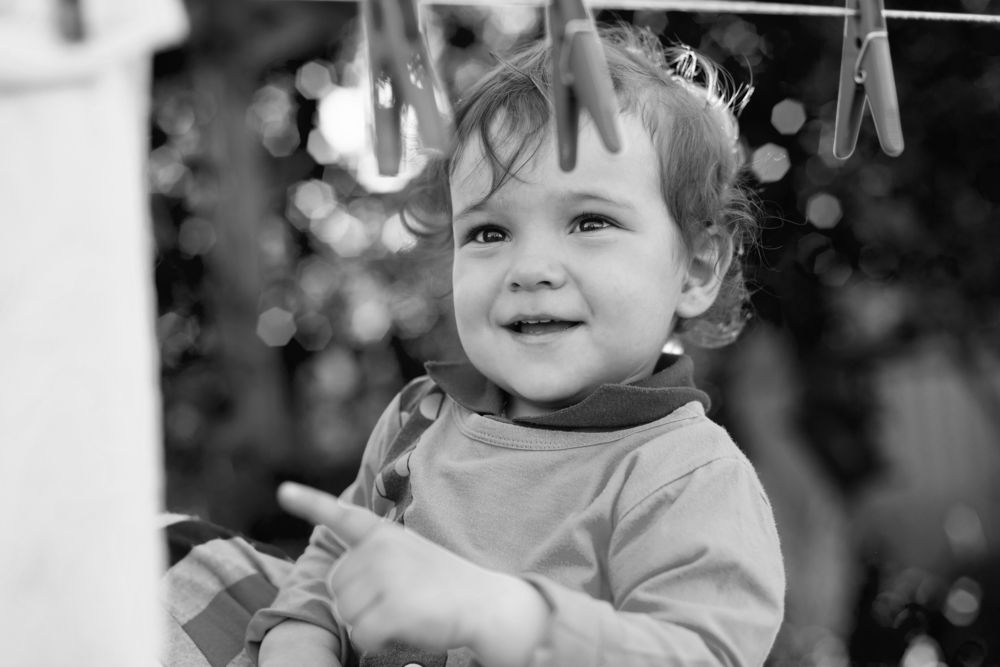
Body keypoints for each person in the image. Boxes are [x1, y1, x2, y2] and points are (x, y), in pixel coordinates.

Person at [248, 24, 785, 667]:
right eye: (489, 232)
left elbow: (697, 654)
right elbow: (335, 562)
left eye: (590, 222)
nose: (530, 269)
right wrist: (300, 637)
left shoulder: (686, 477)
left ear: (696, 268)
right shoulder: (422, 416)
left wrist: (510, 619)